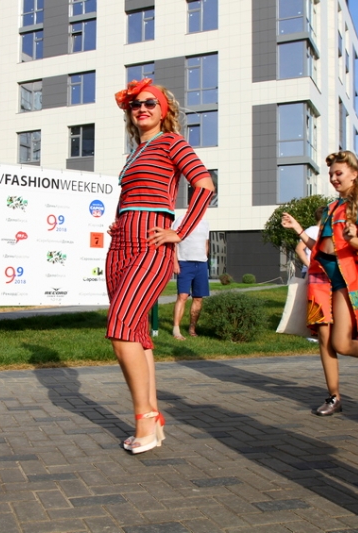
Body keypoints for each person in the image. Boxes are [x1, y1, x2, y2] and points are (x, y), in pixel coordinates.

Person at [109, 78, 215, 453]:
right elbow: (133, 195)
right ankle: (154, 418)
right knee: (137, 333)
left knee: (122, 330)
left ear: (163, 110)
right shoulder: (134, 153)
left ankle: (144, 419)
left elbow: (205, 185)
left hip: (151, 244)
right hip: (120, 245)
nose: (142, 108)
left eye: (150, 103)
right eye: (135, 104)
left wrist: (180, 232)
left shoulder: (172, 142)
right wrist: (119, 220)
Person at [281, 150, 358, 417]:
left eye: (338, 173)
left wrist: (351, 237)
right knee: (324, 340)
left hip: (344, 280)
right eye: (331, 174)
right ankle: (333, 397)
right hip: (319, 277)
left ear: (354, 174)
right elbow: (319, 246)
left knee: (340, 343)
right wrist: (298, 229)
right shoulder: (330, 208)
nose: (333, 178)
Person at [171, 217, 210, 340]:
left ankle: (192, 328)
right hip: (185, 262)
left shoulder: (205, 222)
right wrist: (175, 262)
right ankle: (176, 329)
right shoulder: (180, 220)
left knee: (198, 298)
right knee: (182, 296)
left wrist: (204, 258)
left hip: (201, 264)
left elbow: (206, 243)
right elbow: (173, 243)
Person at [295, 206, 325, 277]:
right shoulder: (311, 230)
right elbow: (299, 249)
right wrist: (309, 265)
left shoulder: (324, 231)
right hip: (310, 272)